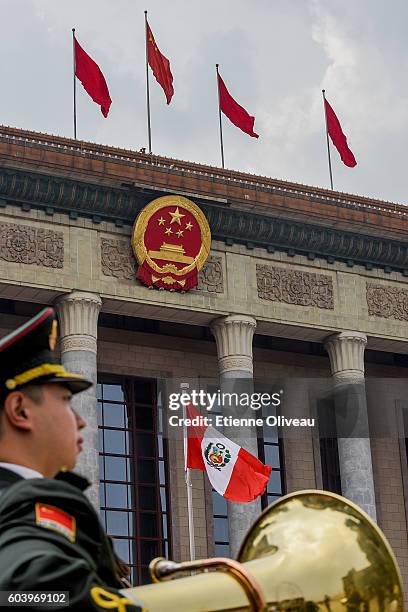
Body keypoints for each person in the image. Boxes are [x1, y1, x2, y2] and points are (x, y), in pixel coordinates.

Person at [0, 307, 144, 611]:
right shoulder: (26, 505)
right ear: (20, 410)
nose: (80, 421)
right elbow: (20, 590)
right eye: (66, 401)